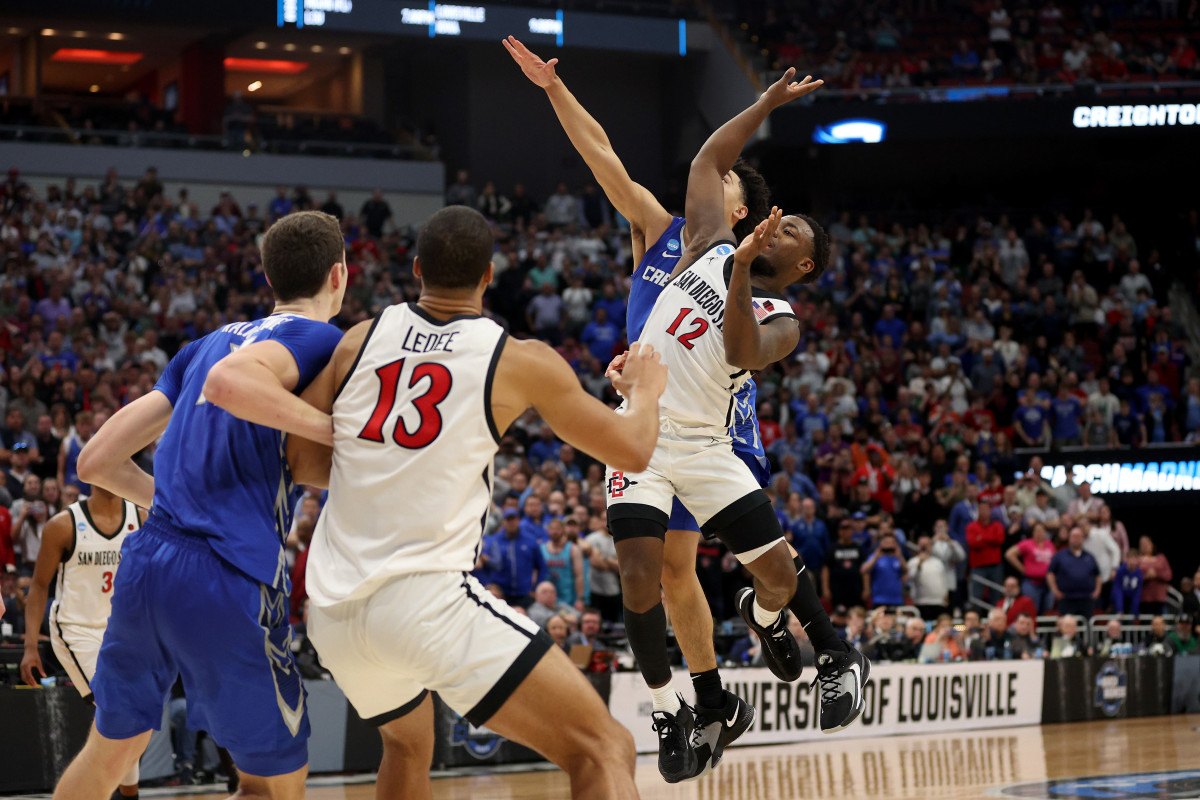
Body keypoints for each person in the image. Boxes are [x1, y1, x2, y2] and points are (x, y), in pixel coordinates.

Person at [290, 205, 667, 800]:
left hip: (332, 610)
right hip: (422, 604)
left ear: (415, 269)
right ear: (489, 276)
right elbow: (633, 450)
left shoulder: (361, 337)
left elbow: (303, 460)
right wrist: (644, 391)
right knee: (605, 747)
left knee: (409, 743)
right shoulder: (518, 358)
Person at [505, 36, 776, 780]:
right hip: (645, 423)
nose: (704, 184)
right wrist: (554, 89)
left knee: (694, 568)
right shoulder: (656, 231)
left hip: (711, 419)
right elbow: (602, 156)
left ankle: (740, 658)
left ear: (740, 206)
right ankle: (706, 701)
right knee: (658, 572)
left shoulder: (739, 262)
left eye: (719, 180)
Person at [604, 67, 870, 750]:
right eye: (779, 223)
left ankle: (805, 636)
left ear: (802, 267)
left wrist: (747, 267)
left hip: (702, 445)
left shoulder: (781, 316)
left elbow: (742, 350)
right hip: (640, 435)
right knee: (641, 574)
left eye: (793, 237)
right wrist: (766, 103)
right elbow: (708, 160)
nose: (778, 231)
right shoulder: (704, 243)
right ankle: (675, 711)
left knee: (777, 572)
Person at [52, 210, 347, 799]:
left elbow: (94, 464)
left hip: (147, 562)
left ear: (269, 280)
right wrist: (340, 431)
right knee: (274, 783)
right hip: (226, 573)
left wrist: (176, 504)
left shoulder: (204, 344)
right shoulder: (322, 342)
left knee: (110, 754)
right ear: (339, 276)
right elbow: (235, 389)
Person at [20, 486, 146, 798]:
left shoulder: (140, 517)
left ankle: (128, 794)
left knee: (134, 718)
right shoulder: (62, 525)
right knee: (117, 707)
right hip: (76, 630)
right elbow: (38, 587)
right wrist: (31, 646)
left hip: (121, 631)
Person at [1006, 521, 1056, 614]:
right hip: (1032, 583)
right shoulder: (1027, 543)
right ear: (1033, 532)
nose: (1039, 533)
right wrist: (1023, 569)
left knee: (1047, 609)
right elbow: (1009, 554)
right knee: (1031, 609)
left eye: (1042, 530)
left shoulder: (1049, 544)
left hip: (1047, 583)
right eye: (1037, 531)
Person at [966, 502, 1005, 606]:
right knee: (976, 595)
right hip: (978, 566)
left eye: (985, 509)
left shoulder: (997, 525)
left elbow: (1000, 539)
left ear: (990, 511)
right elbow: (972, 542)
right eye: (981, 509)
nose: (983, 511)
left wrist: (981, 538)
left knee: (996, 594)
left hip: (995, 565)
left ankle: (997, 619)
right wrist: (991, 539)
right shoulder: (971, 526)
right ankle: (974, 619)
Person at [907, 534, 950, 621]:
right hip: (921, 602)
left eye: (927, 544)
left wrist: (945, 595)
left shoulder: (938, 562)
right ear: (918, 546)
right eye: (922, 544)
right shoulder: (913, 562)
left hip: (938, 602)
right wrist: (920, 563)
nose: (924, 547)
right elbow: (911, 577)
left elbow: (943, 580)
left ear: (931, 546)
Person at [862, 532, 907, 607]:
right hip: (879, 599)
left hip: (897, 599)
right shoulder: (874, 557)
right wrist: (876, 557)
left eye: (891, 542)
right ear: (881, 543)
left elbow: (906, 570)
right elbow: (864, 570)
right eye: (886, 542)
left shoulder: (898, 558)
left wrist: (900, 557)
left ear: (895, 544)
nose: (889, 544)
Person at [1136, 536, 1173, 615]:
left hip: (1160, 598)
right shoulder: (1137, 560)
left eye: (1147, 543)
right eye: (1142, 544)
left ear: (1152, 544)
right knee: (1146, 623)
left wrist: (1156, 574)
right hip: (1144, 599)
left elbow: (1168, 575)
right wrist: (1146, 576)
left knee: (1161, 622)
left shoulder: (1161, 558)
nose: (1145, 546)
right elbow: (1134, 578)